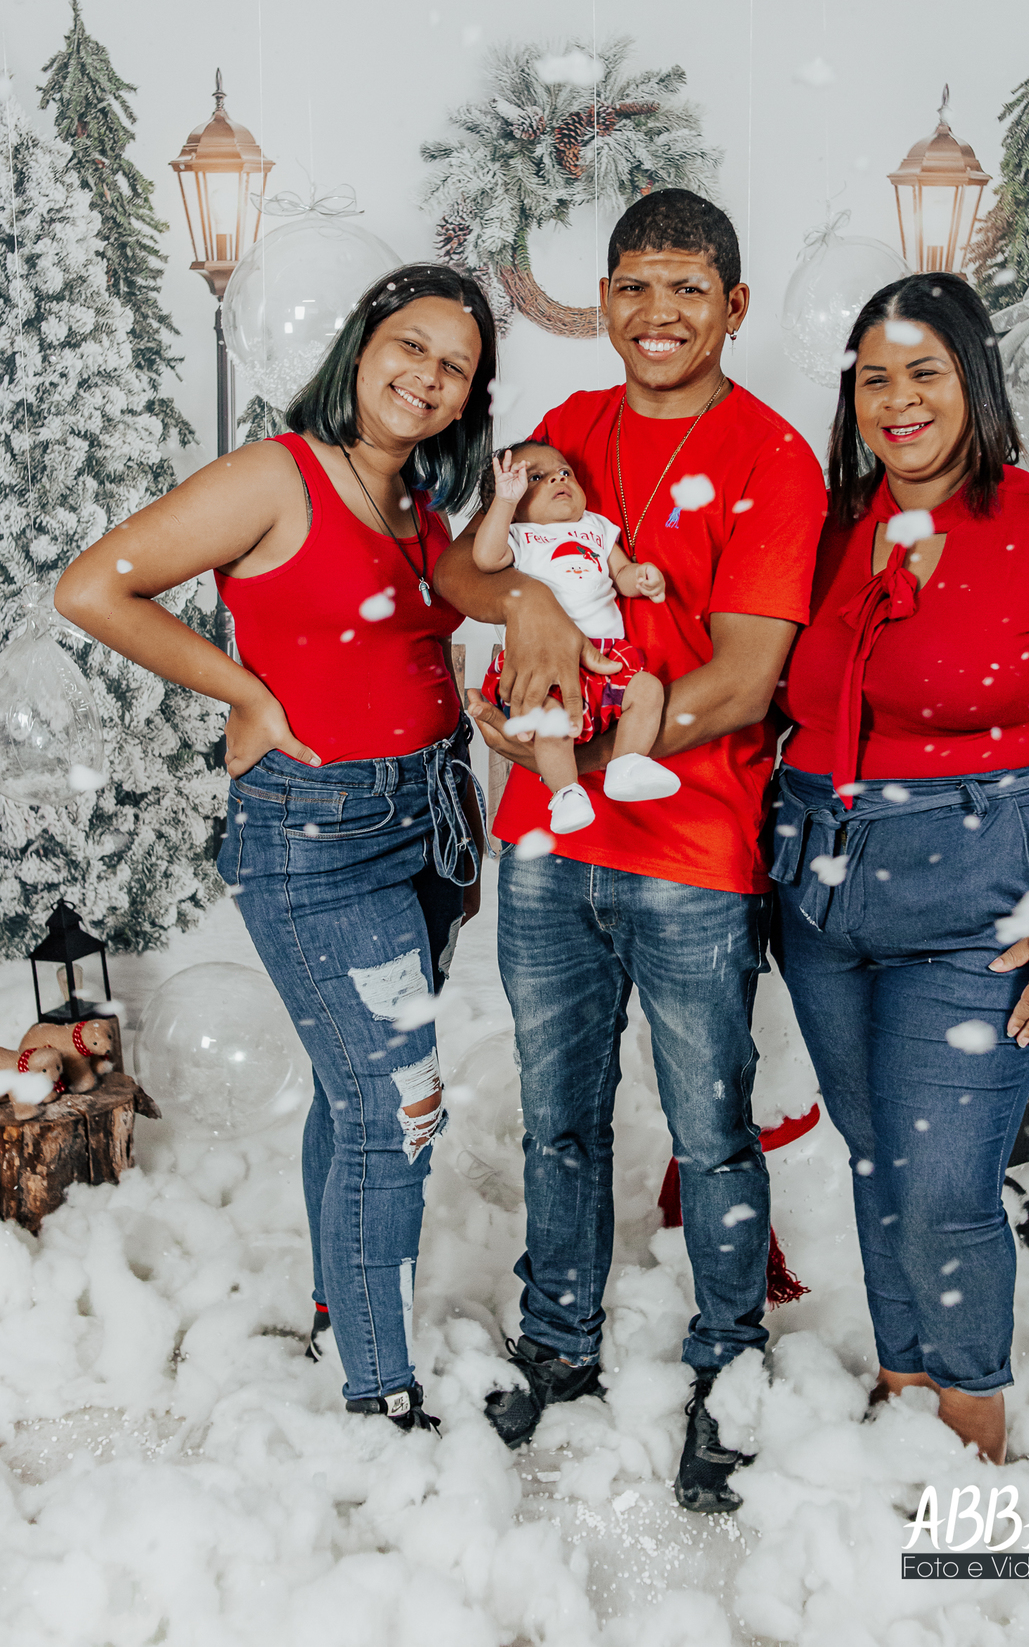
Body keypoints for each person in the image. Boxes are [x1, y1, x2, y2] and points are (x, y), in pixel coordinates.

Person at [435, 189, 827, 1512]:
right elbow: (463, 573)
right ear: (602, 300)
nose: (659, 312)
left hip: (691, 845)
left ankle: (729, 1359)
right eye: (636, 285)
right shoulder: (571, 428)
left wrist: (589, 749)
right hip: (547, 846)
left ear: (734, 306)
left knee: (710, 1128)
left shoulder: (772, 459)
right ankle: (560, 1340)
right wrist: (532, 604)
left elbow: (749, 675)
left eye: (688, 287)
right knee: (557, 1115)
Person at [56, 263, 494, 1433]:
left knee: (358, 1096)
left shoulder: (419, 504)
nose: (428, 376)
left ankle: (340, 1311)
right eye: (410, 345)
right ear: (362, 345)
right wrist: (245, 692)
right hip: (320, 834)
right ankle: (378, 1390)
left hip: (429, 822)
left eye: (455, 366)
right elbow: (93, 587)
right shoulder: (278, 474)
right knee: (399, 1104)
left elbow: (423, 642)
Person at [770, 272, 1029, 1464]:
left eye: (924, 371)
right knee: (879, 1156)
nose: (898, 400)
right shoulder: (832, 528)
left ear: (974, 381)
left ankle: (973, 1436)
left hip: (978, 895)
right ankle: (903, 1387)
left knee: (944, 1182)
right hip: (822, 891)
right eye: (874, 378)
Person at [474, 441, 678, 833]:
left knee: (649, 690)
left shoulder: (596, 528)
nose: (558, 478)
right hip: (543, 664)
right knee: (551, 722)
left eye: (564, 472)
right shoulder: (520, 534)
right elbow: (485, 558)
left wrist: (642, 577)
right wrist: (504, 503)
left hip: (606, 655)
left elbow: (621, 573)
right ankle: (566, 793)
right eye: (537, 478)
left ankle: (626, 765)